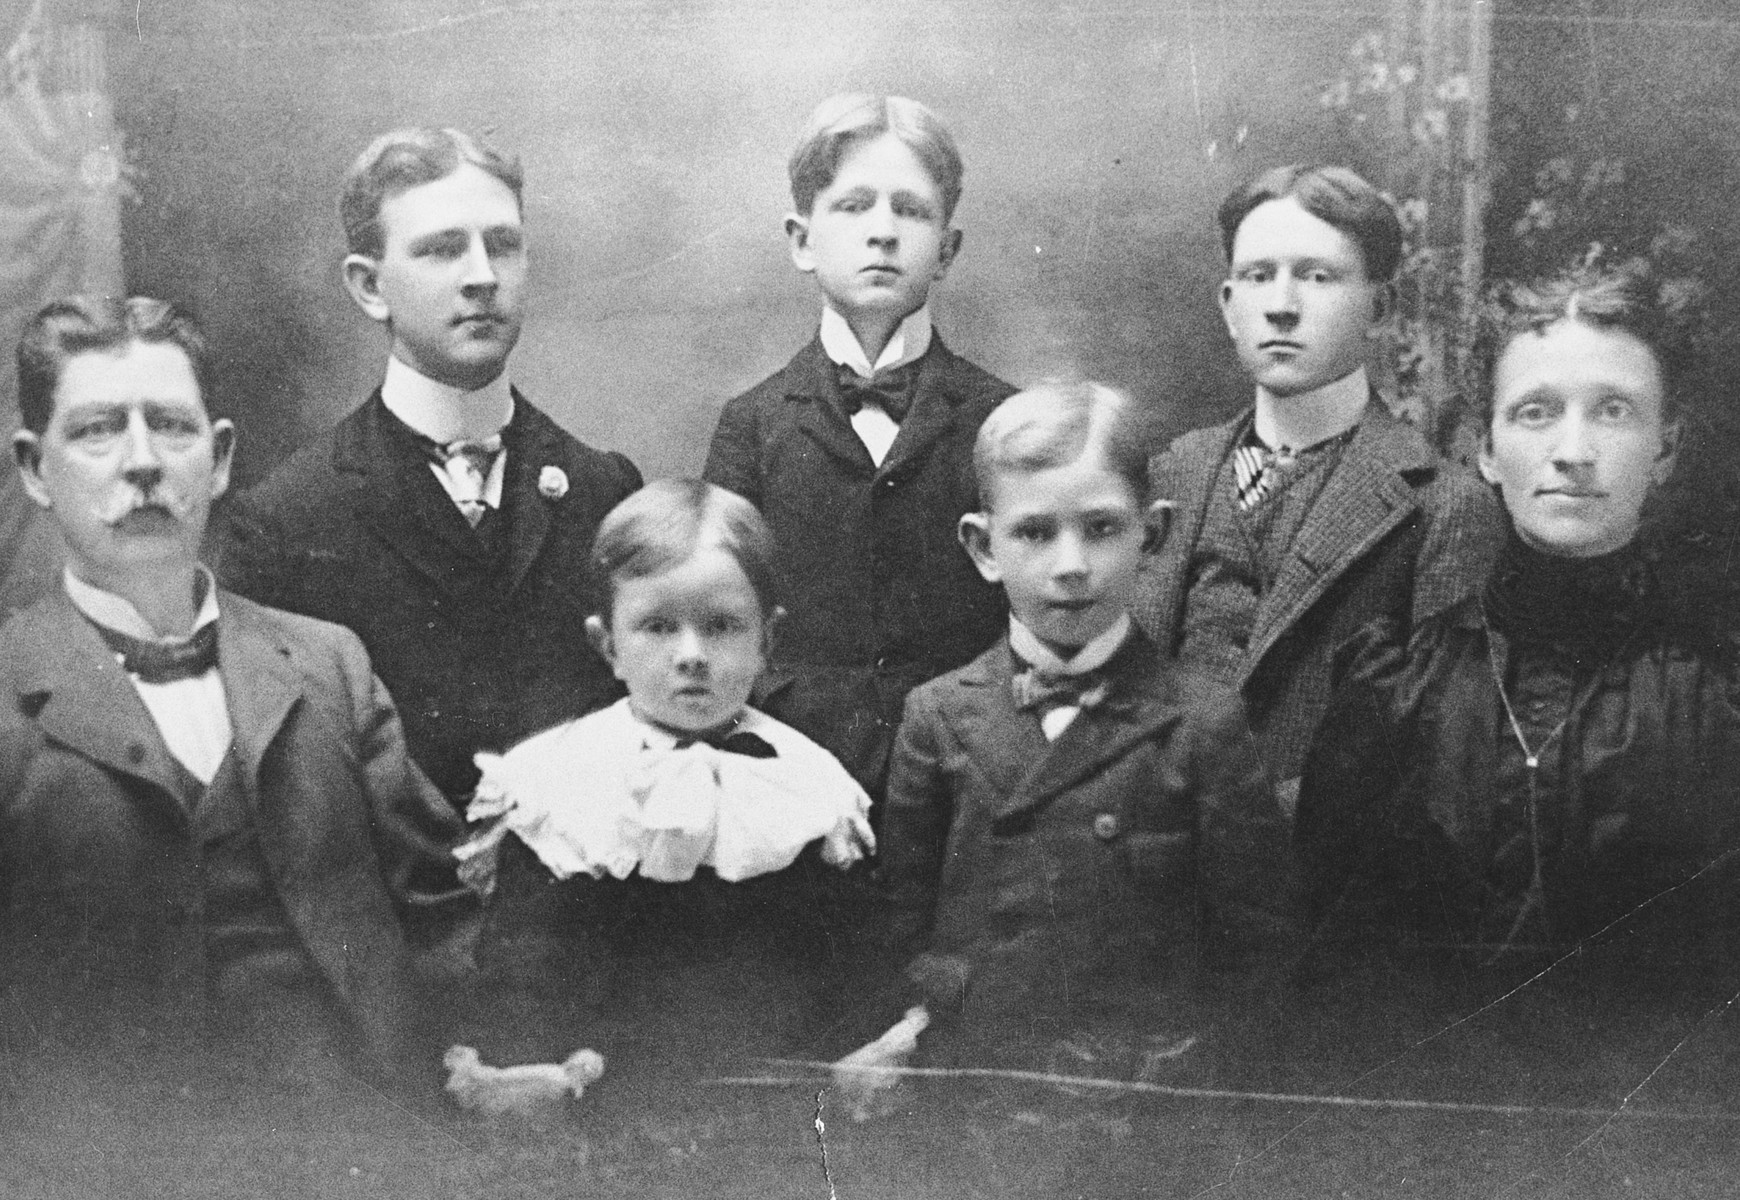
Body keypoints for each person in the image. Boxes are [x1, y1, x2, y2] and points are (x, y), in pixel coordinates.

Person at [0, 295, 476, 1087]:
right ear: (33, 469)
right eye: (96, 430)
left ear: (218, 459)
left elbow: (442, 917)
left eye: (172, 425)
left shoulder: (329, 666)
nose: (142, 460)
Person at [1296, 258, 1740, 980]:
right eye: (1536, 411)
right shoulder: (1396, 690)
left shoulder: (1717, 701)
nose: (1573, 454)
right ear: (1487, 451)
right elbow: (1332, 976)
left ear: (1665, 448)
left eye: (1614, 411)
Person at [851, 383, 1290, 1092]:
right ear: (981, 545)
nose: (1071, 564)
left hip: (1141, 1106)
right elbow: (903, 927)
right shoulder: (934, 716)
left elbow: (1258, 952)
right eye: (1033, 532)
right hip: (981, 1093)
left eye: (1102, 528)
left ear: (1154, 533)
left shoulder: (1204, 723)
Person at [218, 127, 641, 805]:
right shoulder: (286, 521)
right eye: (443, 249)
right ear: (368, 286)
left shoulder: (603, 489)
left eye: (503, 244)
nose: (482, 276)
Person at [457, 479, 875, 1067]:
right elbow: (522, 965)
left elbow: (831, 963)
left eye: (723, 626)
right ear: (608, 647)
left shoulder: (808, 781)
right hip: (598, 1078)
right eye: (658, 627)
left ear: (768, 640)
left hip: (763, 1078)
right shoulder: (556, 781)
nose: (691, 654)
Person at [1133, 164, 1501, 805]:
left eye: (1316, 275)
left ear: (1379, 307)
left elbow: (1439, 761)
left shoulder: (1445, 505)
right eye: (1257, 276)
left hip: (1326, 880)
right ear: (1228, 307)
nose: (1281, 304)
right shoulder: (1170, 475)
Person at [703, 94, 1016, 803]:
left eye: (910, 209)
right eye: (853, 206)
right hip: (790, 779)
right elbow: (719, 614)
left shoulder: (1002, 417)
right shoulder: (751, 424)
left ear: (947, 248)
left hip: (967, 782)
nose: (883, 232)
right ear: (802, 239)